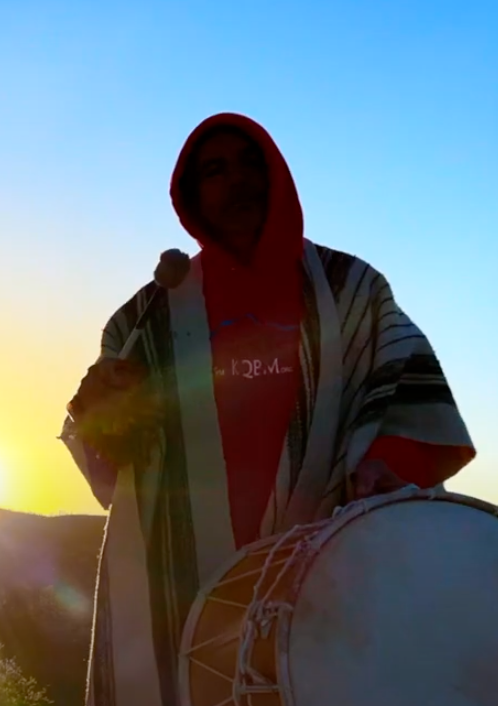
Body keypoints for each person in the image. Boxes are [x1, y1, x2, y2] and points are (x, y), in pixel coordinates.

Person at [60, 112, 476, 706]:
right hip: (179, 581)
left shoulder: (351, 290)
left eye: (250, 163)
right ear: (192, 195)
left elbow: (407, 393)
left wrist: (390, 463)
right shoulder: (147, 317)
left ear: (277, 173)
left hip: (322, 571)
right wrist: (103, 411)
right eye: (215, 170)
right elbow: (114, 458)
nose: (237, 181)